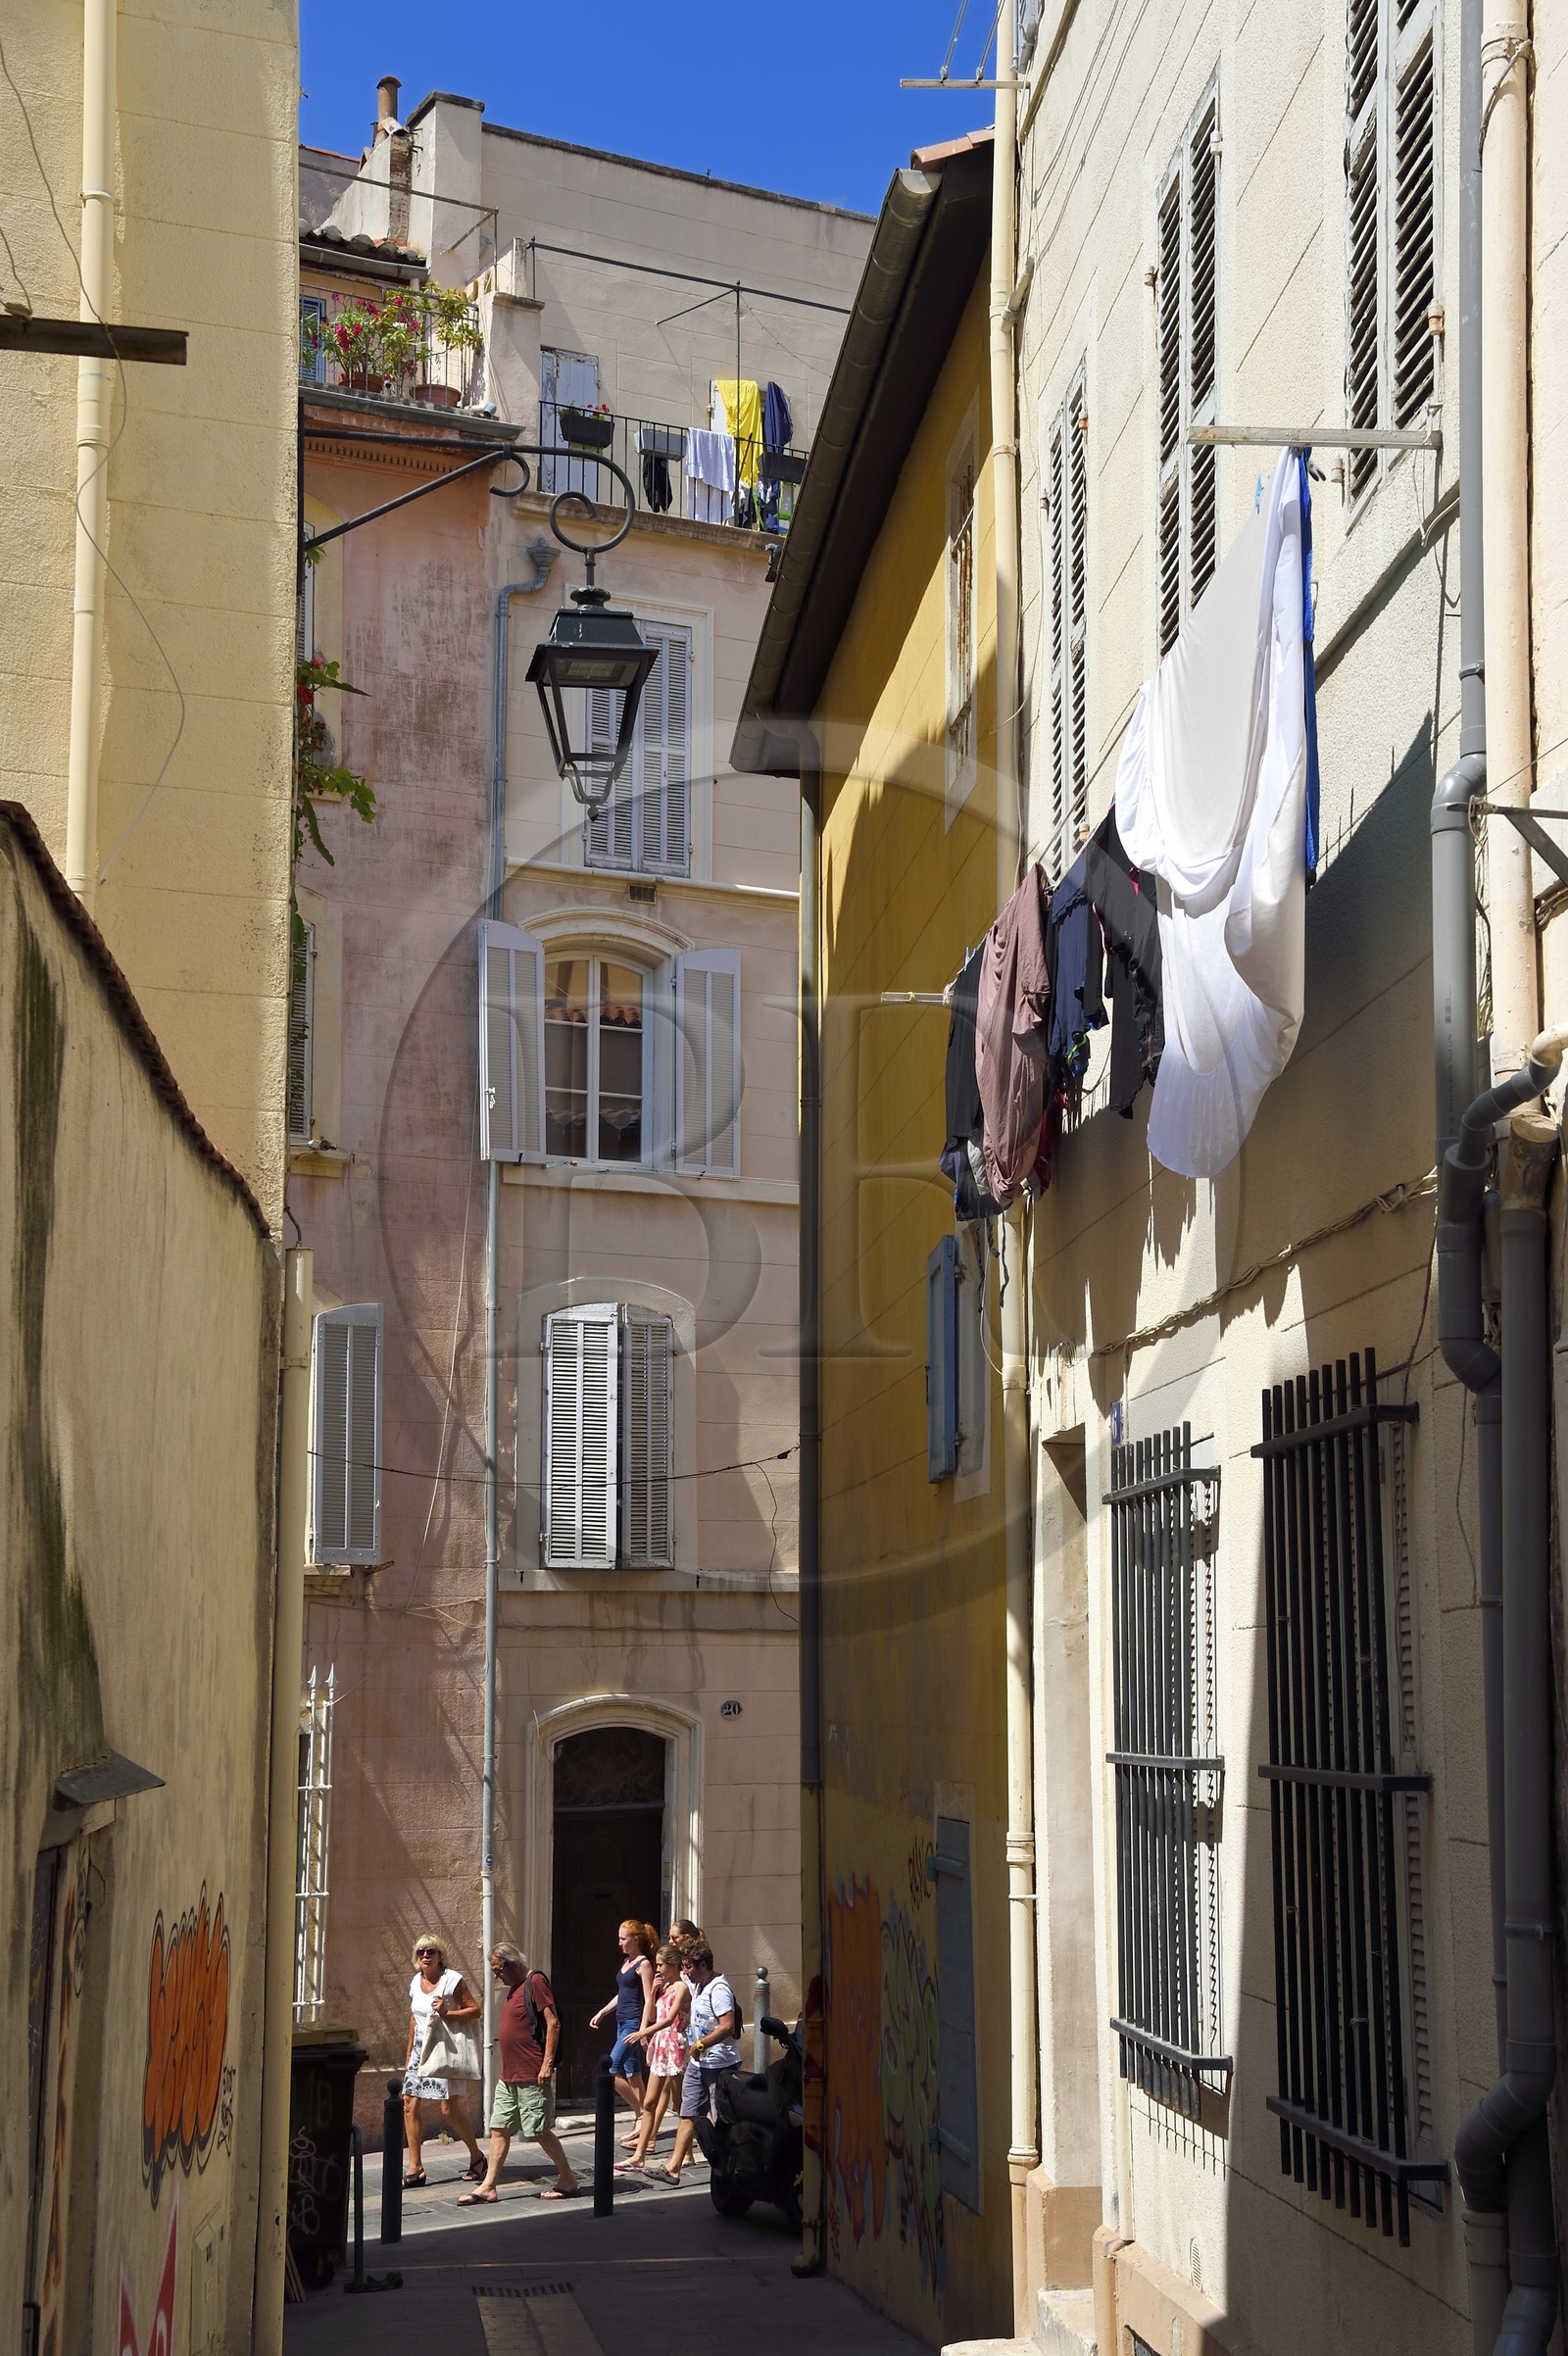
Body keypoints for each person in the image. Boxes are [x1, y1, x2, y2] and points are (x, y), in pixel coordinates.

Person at [459, 1943, 581, 2204]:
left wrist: (547, 2065)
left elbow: (553, 2023)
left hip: (531, 2072)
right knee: (499, 2128)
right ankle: (488, 2186)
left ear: (512, 1963)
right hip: (509, 2075)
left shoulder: (535, 1981)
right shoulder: (513, 1988)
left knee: (537, 2130)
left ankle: (568, 2179)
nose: (496, 1976)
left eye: (498, 1970)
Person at [401, 1935, 485, 2185]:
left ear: (440, 1956)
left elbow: (475, 2010)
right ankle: (415, 2167)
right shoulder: (415, 1982)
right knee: (408, 2104)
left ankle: (477, 2157)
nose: (425, 1956)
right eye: (421, 1952)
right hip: (420, 2051)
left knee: (449, 2110)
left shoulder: (452, 1980)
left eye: (431, 1951)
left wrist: (447, 2012)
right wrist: (408, 2052)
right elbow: (414, 2018)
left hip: (442, 2049)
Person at [658, 1939, 740, 2185]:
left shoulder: (719, 1989)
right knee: (688, 2113)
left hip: (719, 2064)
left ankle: (728, 2171)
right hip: (698, 2064)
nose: (685, 1971)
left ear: (703, 1965)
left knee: (720, 2119)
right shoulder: (698, 1986)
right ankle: (673, 2168)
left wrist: (701, 2044)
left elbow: (727, 2026)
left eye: (688, 1967)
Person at [618, 1943, 691, 2172]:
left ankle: (686, 2151)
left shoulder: (681, 1987)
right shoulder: (665, 1987)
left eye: (661, 1964)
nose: (658, 1969)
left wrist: (642, 2033)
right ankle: (639, 2155)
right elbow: (653, 2015)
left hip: (674, 2044)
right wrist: (652, 1993)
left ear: (673, 1964)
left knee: (679, 2104)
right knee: (649, 2102)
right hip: (660, 2045)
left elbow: (670, 2019)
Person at [588, 1919, 657, 2142]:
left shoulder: (643, 1964)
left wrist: (643, 2030)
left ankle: (642, 2113)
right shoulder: (626, 1962)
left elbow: (648, 1999)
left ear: (636, 1939)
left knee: (611, 2070)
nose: (619, 1943)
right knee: (633, 2075)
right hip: (621, 2022)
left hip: (632, 2024)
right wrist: (603, 2012)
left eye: (623, 1938)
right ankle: (645, 2127)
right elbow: (622, 1994)